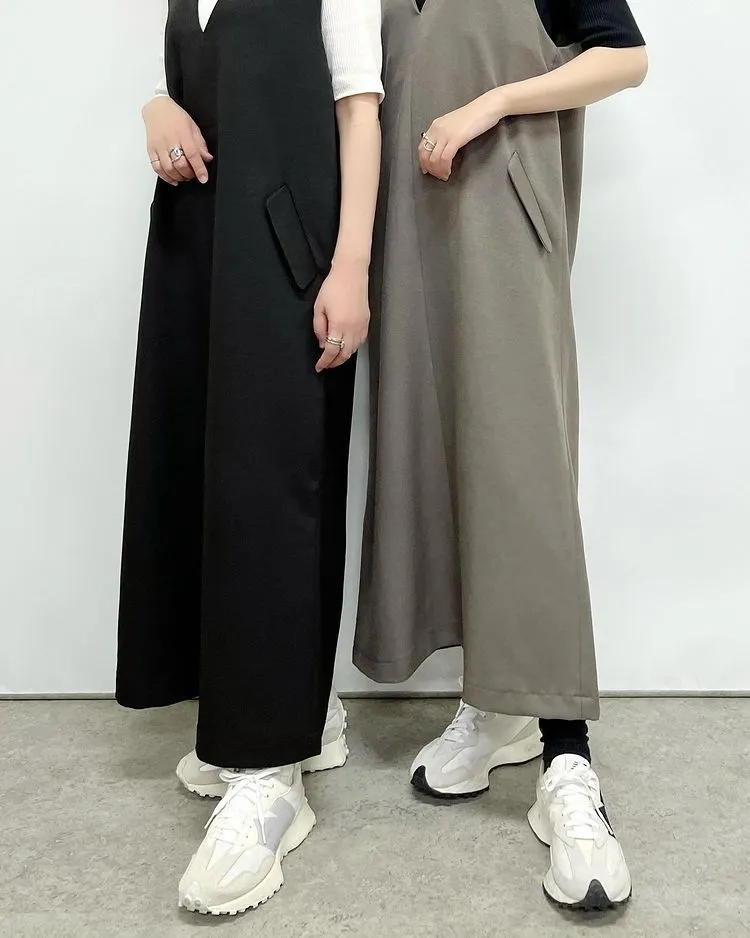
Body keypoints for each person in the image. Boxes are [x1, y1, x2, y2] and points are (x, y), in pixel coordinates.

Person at [356, 0, 648, 912]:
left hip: (505, 229)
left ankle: (567, 759)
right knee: (430, 460)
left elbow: (625, 58)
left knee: (523, 475)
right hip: (406, 239)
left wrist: (494, 103)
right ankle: (494, 704)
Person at [116, 0, 382, 916]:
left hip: (284, 256)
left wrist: (351, 268)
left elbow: (360, 111)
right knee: (199, 478)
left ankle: (271, 772)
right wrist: (156, 104)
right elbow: (191, 76)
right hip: (194, 247)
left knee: (272, 489)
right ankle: (300, 714)